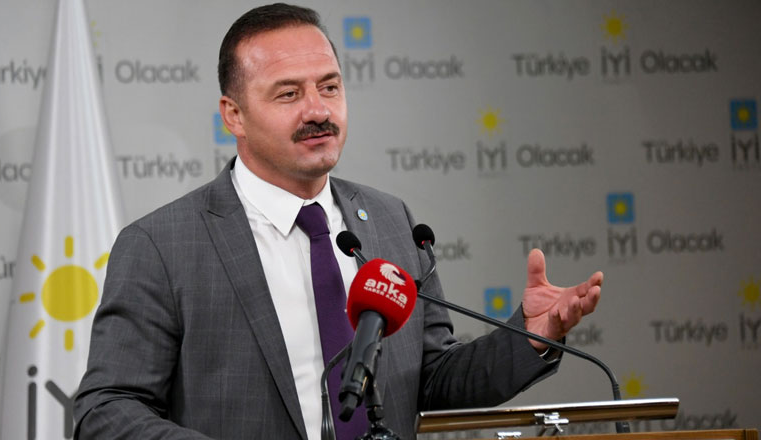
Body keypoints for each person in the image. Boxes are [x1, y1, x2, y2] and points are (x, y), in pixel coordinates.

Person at [74, 4, 602, 439]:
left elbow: (431, 380)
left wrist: (530, 336)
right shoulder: (162, 245)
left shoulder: (391, 222)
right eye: (288, 93)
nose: (317, 110)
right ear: (234, 114)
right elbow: (107, 409)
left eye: (329, 87)